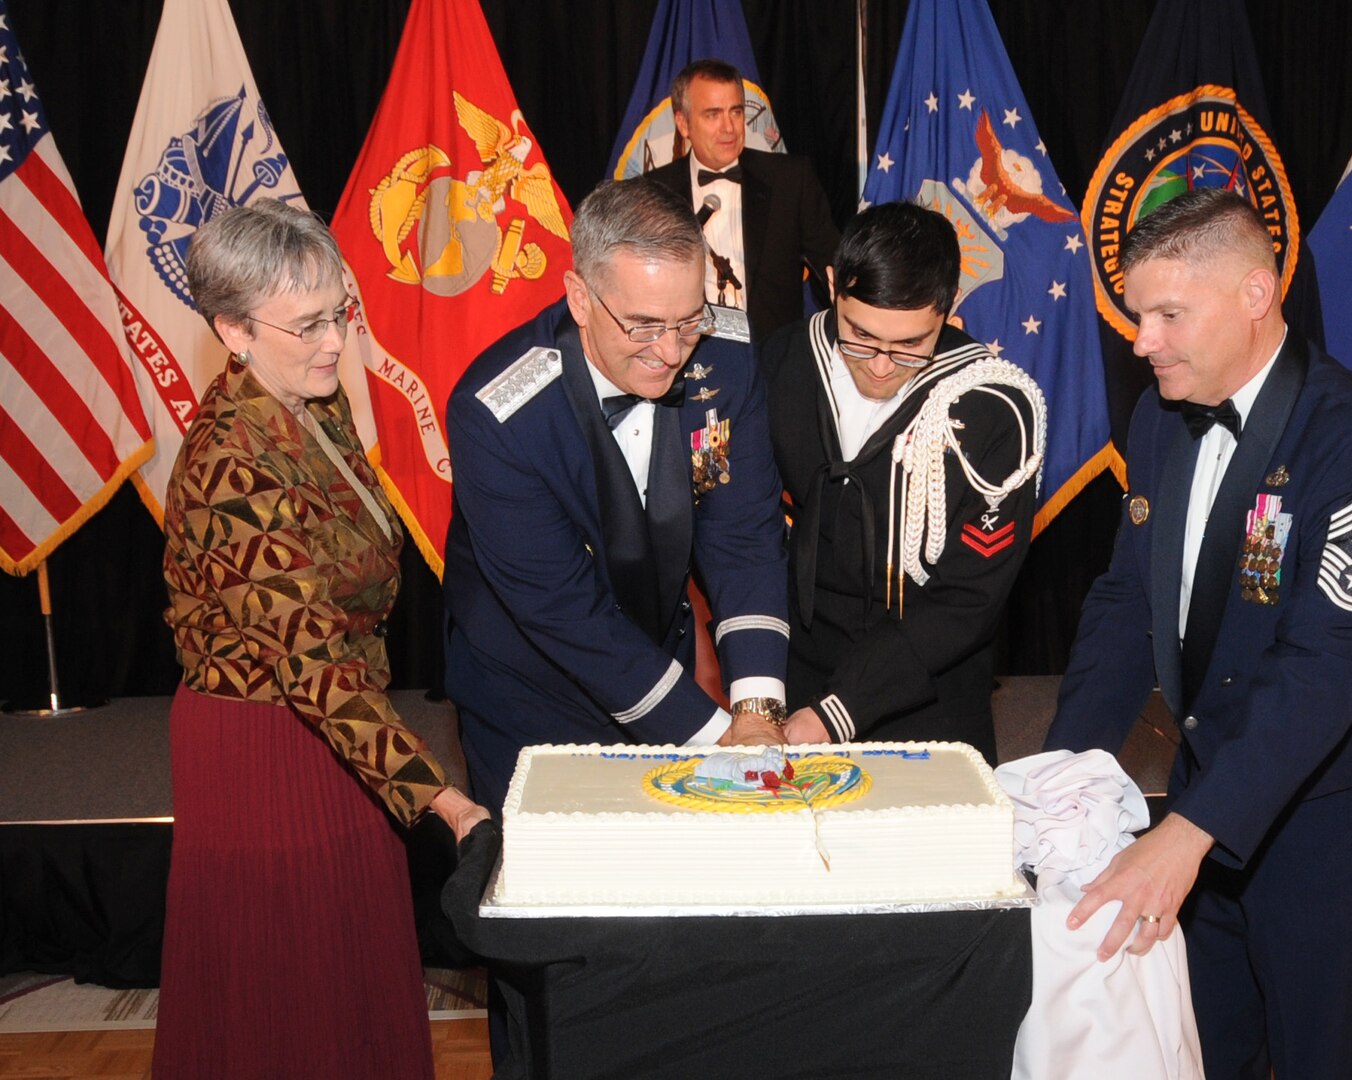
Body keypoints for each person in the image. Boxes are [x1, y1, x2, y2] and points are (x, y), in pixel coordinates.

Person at [1044, 188, 1352, 1079]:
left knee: (1314, 1052)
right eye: (1137, 315)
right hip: (1198, 782)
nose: (1142, 341)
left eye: (1167, 314)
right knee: (1202, 1045)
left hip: (1319, 812)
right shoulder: (1158, 415)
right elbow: (1124, 603)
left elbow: (1326, 667)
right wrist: (1064, 770)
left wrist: (1187, 833)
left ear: (1255, 295)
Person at [156, 199, 487, 1080]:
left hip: (341, 733)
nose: (334, 342)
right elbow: (307, 662)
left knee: (347, 983)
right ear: (233, 330)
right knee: (281, 994)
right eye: (306, 325)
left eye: (338, 312)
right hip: (266, 748)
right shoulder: (231, 457)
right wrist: (443, 801)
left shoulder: (312, 401)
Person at [443, 177, 791, 815]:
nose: (670, 352)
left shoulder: (724, 362)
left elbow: (742, 535)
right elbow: (562, 610)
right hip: (533, 688)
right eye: (643, 326)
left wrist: (757, 711)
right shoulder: (497, 415)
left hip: (660, 665)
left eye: (689, 321)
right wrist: (720, 738)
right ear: (579, 298)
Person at [761, 202, 1045, 760]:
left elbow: (968, 599)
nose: (882, 365)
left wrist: (840, 709)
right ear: (831, 287)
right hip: (797, 678)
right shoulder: (784, 362)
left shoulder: (995, 408)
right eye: (860, 335)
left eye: (911, 344)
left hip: (930, 696)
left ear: (949, 309)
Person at [647, 58, 839, 343]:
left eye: (735, 112)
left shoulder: (790, 180)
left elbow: (835, 267)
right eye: (713, 115)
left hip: (772, 359)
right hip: (686, 358)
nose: (729, 128)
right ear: (683, 123)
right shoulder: (651, 193)